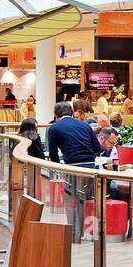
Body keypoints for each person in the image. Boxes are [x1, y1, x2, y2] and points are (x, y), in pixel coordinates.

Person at [46, 99, 101, 244]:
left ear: (56, 114)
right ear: (71, 112)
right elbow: (97, 147)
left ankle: (74, 235)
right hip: (90, 167)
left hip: (72, 166)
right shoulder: (85, 125)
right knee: (88, 200)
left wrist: (58, 167)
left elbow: (52, 153)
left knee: (71, 201)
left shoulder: (54, 128)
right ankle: (91, 233)